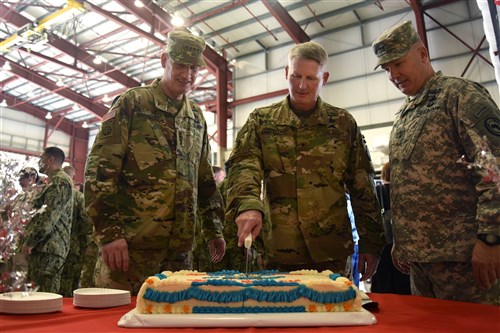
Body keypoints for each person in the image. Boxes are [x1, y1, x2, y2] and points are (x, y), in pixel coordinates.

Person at [226, 41, 385, 280]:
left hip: (331, 252)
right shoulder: (261, 121)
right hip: (277, 250)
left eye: (311, 78)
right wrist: (248, 204)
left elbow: (362, 184)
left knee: (333, 315)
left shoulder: (342, 124)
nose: (301, 85)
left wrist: (371, 242)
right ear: (286, 73)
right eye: (296, 76)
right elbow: (244, 166)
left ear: (325, 77)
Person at [84, 30, 226, 295]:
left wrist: (213, 229)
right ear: (164, 60)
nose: (188, 75)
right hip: (129, 253)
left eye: (194, 68)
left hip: (179, 257)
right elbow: (99, 173)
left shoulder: (196, 117)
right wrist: (110, 233)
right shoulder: (133, 104)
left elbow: (205, 180)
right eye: (181, 65)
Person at [372, 20, 499, 304]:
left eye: (398, 63)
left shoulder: (460, 96)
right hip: (421, 263)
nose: (393, 74)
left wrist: (491, 238)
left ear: (422, 54)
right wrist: (402, 242)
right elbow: (407, 184)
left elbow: (494, 170)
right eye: (386, 68)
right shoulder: (406, 113)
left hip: (465, 259)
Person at [21, 146, 74, 293]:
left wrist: (32, 240)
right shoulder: (54, 181)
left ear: (50, 160)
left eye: (41, 159)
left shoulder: (59, 181)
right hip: (46, 247)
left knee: (44, 295)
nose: (39, 163)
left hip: (49, 248)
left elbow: (48, 216)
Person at [371, 162, 411, 294]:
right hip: (403, 247)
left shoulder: (377, 191)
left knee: (383, 291)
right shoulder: (408, 192)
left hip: (383, 249)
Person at [59, 165, 93, 296]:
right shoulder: (78, 197)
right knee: (70, 283)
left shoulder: (52, 192)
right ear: (73, 178)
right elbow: (86, 224)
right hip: (73, 247)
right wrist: (85, 244)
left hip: (53, 248)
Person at [0, 167, 41, 272]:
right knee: (8, 275)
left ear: (32, 178)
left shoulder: (38, 196)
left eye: (22, 178)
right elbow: (9, 218)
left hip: (25, 244)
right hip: (12, 244)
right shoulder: (19, 197)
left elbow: (39, 220)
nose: (19, 181)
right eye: (19, 178)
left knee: (20, 274)